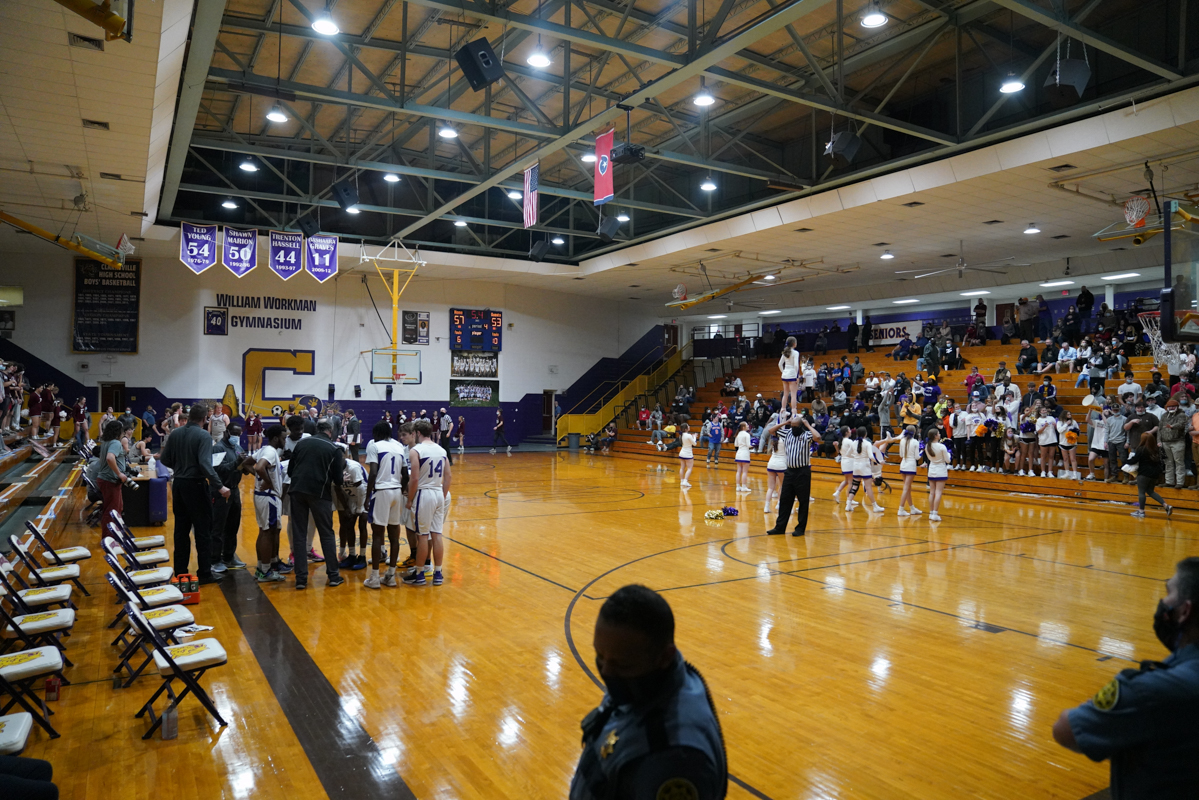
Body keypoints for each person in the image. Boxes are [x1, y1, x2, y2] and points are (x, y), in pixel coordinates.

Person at [570, 584, 726, 800]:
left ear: (665, 657)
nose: (606, 672)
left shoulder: (673, 761)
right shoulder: (643, 683)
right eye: (600, 656)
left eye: (621, 665)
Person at [160, 403, 229, 585]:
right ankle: (204, 573)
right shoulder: (203, 435)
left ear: (189, 417)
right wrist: (220, 486)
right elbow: (205, 464)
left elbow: (164, 458)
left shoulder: (175, 433)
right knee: (203, 531)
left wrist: (180, 466)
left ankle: (181, 572)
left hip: (178, 485)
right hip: (196, 485)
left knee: (181, 530)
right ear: (205, 419)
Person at [286, 421, 347, 590]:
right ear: (330, 431)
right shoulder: (334, 449)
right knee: (326, 533)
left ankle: (300, 579)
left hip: (297, 491)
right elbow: (338, 480)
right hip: (319, 493)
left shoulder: (301, 444)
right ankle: (333, 576)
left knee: (299, 534)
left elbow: (290, 471)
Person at [402, 420, 451, 587]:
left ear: (417, 433)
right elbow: (448, 476)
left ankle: (420, 574)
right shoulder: (441, 450)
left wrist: (410, 499)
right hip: (438, 492)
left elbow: (414, 478)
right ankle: (438, 573)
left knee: (422, 536)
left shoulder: (416, 450)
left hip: (424, 493)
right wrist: (442, 496)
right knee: (437, 535)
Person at [363, 420, 407, 589]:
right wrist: (400, 489)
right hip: (396, 491)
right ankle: (390, 576)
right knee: (394, 535)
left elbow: (373, 472)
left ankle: (374, 578)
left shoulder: (375, 446)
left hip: (382, 491)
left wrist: (368, 496)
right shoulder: (399, 446)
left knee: (377, 535)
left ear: (377, 434)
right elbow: (405, 475)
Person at [764, 411, 818, 537]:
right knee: (785, 499)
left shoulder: (806, 435)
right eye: (792, 426)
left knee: (803, 501)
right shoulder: (787, 433)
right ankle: (780, 527)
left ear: (801, 426)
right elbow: (771, 431)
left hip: (802, 472)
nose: (793, 428)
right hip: (789, 471)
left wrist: (807, 425)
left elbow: (818, 437)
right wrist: (786, 423)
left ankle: (800, 528)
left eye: (795, 426)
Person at [251, 424, 288, 583]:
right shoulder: (271, 452)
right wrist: (268, 481)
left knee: (264, 531)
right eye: (283, 438)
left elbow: (246, 463)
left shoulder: (264, 449)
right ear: (275, 438)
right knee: (267, 532)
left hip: (262, 496)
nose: (285, 441)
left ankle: (262, 567)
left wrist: (261, 478)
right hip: (269, 497)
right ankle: (265, 571)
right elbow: (259, 467)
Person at [211, 422, 249, 573]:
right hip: (221, 491)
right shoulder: (218, 448)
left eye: (239, 434)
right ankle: (214, 560)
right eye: (234, 434)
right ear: (226, 432)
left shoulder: (238, 448)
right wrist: (236, 462)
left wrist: (246, 465)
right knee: (218, 527)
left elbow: (242, 468)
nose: (236, 437)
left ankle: (229, 556)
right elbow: (217, 469)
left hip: (234, 490)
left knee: (233, 525)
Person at [333, 442, 369, 570]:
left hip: (365, 496)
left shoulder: (352, 467)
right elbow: (337, 489)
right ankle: (352, 555)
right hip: (351, 497)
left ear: (344, 456)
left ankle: (363, 557)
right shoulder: (333, 468)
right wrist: (346, 508)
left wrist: (360, 508)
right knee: (349, 524)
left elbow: (361, 489)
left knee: (362, 524)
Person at [96, 419, 134, 527]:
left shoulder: (105, 442)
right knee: (112, 511)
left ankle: (114, 533)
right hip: (110, 480)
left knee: (117, 508)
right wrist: (119, 473)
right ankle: (109, 535)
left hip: (106, 479)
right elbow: (110, 458)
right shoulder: (115, 443)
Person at [924, 427, 950, 521]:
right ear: (935, 436)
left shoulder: (927, 446)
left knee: (932, 492)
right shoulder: (941, 446)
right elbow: (948, 460)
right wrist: (949, 454)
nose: (940, 434)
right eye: (938, 433)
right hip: (940, 470)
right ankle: (935, 514)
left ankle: (931, 513)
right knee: (938, 492)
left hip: (931, 469)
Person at [778, 336, 799, 414]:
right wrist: (796, 376)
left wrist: (783, 372)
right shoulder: (795, 353)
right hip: (792, 375)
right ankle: (794, 411)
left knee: (785, 394)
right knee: (793, 394)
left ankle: (783, 409)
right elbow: (796, 365)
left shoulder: (785, 352)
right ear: (794, 343)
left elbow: (780, 364)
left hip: (785, 375)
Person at [733, 421, 752, 492]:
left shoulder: (738, 434)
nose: (748, 426)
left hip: (738, 454)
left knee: (738, 471)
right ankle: (744, 487)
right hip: (745, 454)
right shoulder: (747, 434)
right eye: (747, 425)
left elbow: (736, 444)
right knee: (744, 472)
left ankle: (738, 487)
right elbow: (748, 445)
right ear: (743, 427)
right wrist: (754, 444)